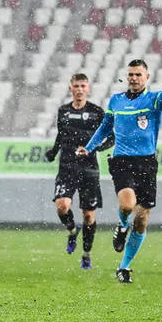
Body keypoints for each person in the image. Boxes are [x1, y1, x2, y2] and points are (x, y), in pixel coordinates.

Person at [78, 59, 162, 284]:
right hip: (122, 160)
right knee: (126, 205)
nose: (134, 78)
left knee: (142, 220)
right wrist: (89, 147)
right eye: (131, 74)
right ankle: (122, 226)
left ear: (147, 77)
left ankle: (124, 267)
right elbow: (105, 127)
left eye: (138, 74)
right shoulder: (116, 100)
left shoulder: (153, 100)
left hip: (147, 163)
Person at [44, 73, 113, 270]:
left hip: (89, 169)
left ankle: (86, 253)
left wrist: (93, 148)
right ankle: (72, 230)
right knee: (62, 206)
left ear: (88, 88)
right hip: (66, 166)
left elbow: (111, 137)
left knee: (89, 216)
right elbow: (60, 135)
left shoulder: (97, 112)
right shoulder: (63, 111)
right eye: (76, 85)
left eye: (83, 85)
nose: (80, 89)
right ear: (70, 88)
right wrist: (54, 151)